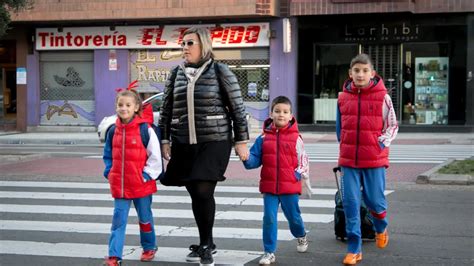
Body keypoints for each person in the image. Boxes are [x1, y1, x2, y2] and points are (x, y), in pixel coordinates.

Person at [159, 27, 249, 266]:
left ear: (204, 45)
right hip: (183, 142)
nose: (184, 48)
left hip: (214, 140)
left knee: (202, 190)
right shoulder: (175, 73)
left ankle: (207, 245)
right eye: (183, 44)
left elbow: (238, 109)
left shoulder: (221, 71)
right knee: (194, 192)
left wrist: (241, 141)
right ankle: (206, 241)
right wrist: (165, 139)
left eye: (190, 43)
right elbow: (166, 109)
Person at [336, 53, 398, 265]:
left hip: (374, 160)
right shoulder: (342, 98)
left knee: (375, 202)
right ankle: (355, 248)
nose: (360, 74)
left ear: (372, 73)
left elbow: (392, 125)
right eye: (356, 71)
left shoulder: (383, 97)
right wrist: (343, 145)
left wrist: (380, 143)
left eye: (364, 70)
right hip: (349, 162)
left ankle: (381, 225)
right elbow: (339, 128)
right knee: (351, 204)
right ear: (350, 74)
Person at [242, 96, 310, 265]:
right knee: (269, 218)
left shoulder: (296, 138)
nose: (281, 115)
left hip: (290, 187)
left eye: (285, 112)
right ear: (271, 114)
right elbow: (254, 160)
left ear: (291, 115)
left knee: (294, 218)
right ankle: (269, 251)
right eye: (277, 111)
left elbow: (304, 161)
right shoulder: (263, 138)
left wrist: (296, 175)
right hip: (269, 187)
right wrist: (245, 157)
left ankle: (301, 235)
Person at [102, 85, 163, 266]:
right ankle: (114, 256)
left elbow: (155, 156)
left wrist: (146, 175)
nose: (124, 108)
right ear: (116, 107)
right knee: (118, 221)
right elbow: (107, 155)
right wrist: (109, 171)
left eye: (128, 105)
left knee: (145, 219)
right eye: (121, 105)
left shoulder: (146, 130)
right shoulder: (113, 131)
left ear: (136, 107)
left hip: (141, 185)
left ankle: (149, 247)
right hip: (120, 185)